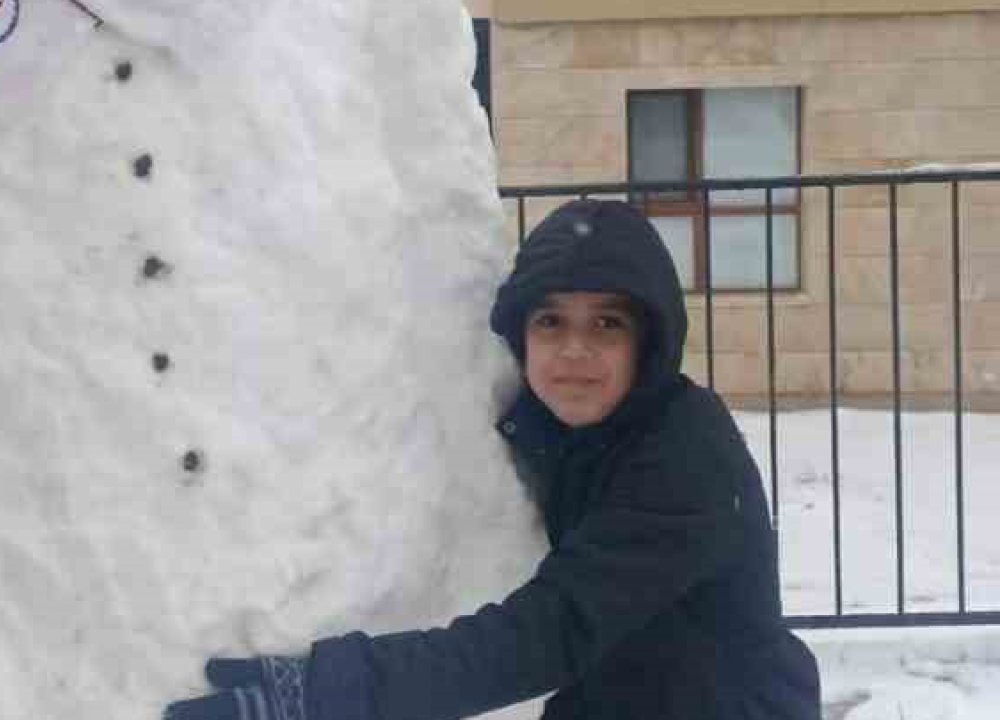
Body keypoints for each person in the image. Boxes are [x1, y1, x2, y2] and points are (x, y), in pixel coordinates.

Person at [164, 199, 822, 720]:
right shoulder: (568, 433)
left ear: (648, 342)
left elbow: (551, 630)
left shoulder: (685, 455)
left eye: (607, 324)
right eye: (551, 322)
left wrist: (329, 692)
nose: (574, 351)